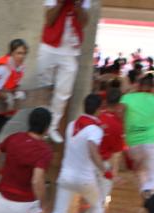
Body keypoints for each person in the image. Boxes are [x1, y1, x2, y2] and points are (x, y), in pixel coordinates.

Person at [43, 94, 106, 213]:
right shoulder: (95, 130)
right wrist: (104, 170)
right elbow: (92, 148)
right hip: (85, 178)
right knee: (97, 205)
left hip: (66, 176)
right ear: (99, 109)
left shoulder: (72, 125)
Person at [37, 0, 91, 143]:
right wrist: (60, 3)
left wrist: (78, 5)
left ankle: (52, 127)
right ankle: (41, 122)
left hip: (70, 50)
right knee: (43, 86)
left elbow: (84, 22)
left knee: (64, 91)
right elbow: (48, 20)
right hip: (50, 46)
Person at [121, 73, 154, 197]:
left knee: (141, 171)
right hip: (150, 143)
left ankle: (145, 194)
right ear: (153, 87)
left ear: (138, 85)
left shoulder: (127, 98)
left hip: (132, 145)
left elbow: (119, 112)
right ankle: (150, 195)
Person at [0, 38, 29, 142]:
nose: (22, 56)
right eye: (18, 53)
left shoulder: (20, 67)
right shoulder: (3, 67)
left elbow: (15, 84)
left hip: (4, 105)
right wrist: (8, 96)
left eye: (24, 53)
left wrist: (16, 93)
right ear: (11, 53)